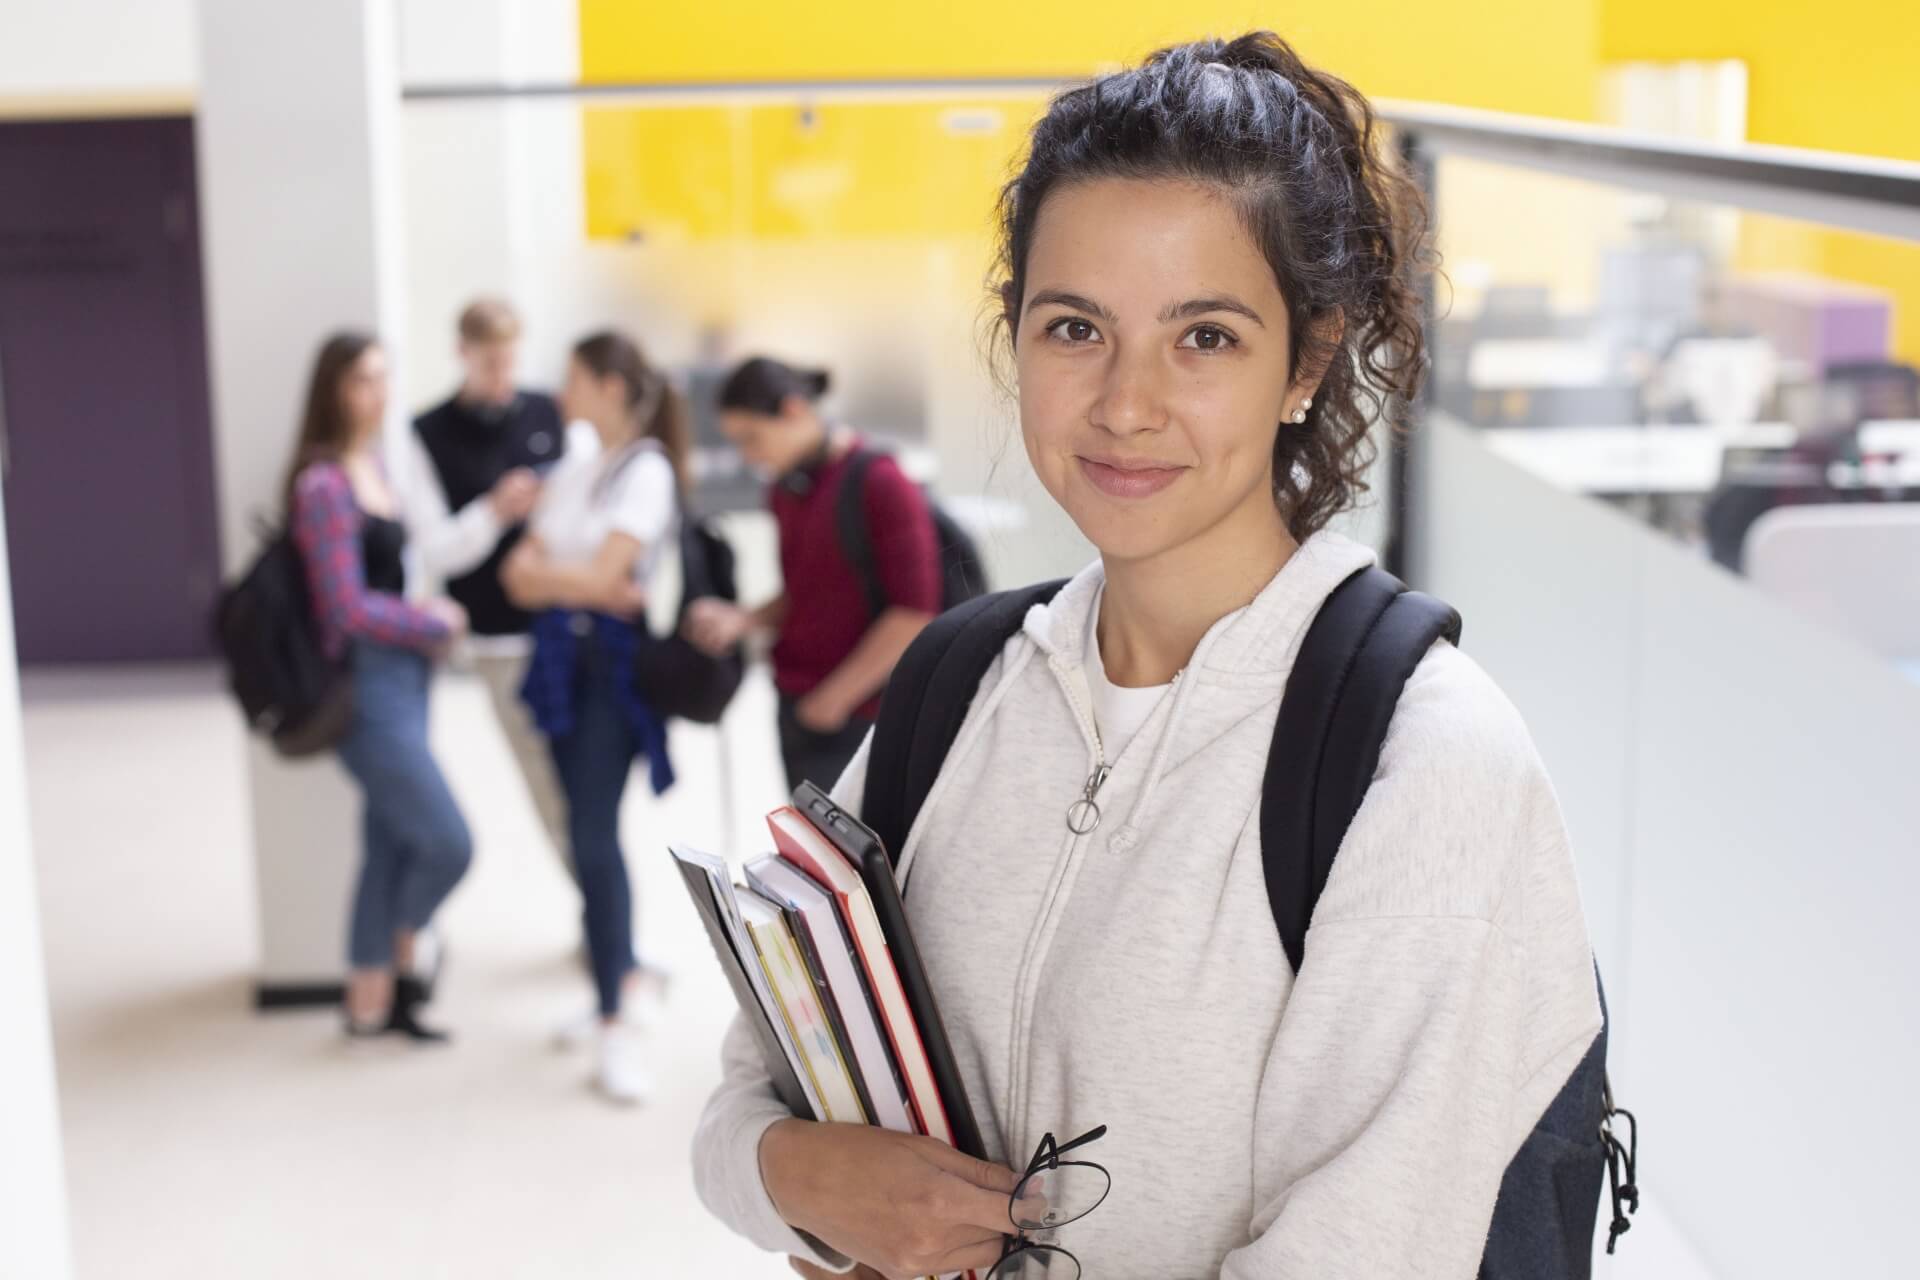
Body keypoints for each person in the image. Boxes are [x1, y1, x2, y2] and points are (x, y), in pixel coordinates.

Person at [693, 33, 1602, 1280]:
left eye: (1206, 336)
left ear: (1309, 359)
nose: (1126, 403)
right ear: (1016, 336)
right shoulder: (960, 686)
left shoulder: (1424, 759)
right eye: (1076, 327)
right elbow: (743, 1092)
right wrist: (799, 1181)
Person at [502, 330, 685, 1104]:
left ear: (610, 386)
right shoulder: (577, 467)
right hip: (559, 670)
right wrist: (579, 582)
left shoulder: (647, 470)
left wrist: (564, 577)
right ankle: (621, 976)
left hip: (610, 676)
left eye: (572, 377)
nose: (560, 391)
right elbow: (517, 576)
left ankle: (616, 1016)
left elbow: (607, 575)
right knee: (582, 831)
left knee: (592, 834)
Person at [286, 332, 473, 1044]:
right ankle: (402, 952)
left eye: (383, 376)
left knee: (390, 845)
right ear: (332, 390)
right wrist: (430, 621)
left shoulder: (375, 466)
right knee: (448, 842)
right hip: (366, 689)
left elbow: (388, 579)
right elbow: (344, 608)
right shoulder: (324, 485)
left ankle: (370, 1004)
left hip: (408, 678)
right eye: (361, 379)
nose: (378, 392)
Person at [683, 357, 943, 791]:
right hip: (800, 701)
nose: (749, 456)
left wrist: (834, 699)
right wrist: (744, 619)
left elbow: (913, 614)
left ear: (793, 410)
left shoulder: (882, 481)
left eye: (752, 438)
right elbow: (806, 589)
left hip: (862, 717)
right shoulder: (786, 489)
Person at [405, 298, 571, 871]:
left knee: (591, 783)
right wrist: (494, 511)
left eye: (510, 361)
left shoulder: (548, 411)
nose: (502, 377)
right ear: (462, 353)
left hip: (570, 622)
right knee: (547, 785)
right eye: (489, 363)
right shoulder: (427, 434)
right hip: (500, 639)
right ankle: (594, 903)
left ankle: (605, 906)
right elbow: (437, 551)